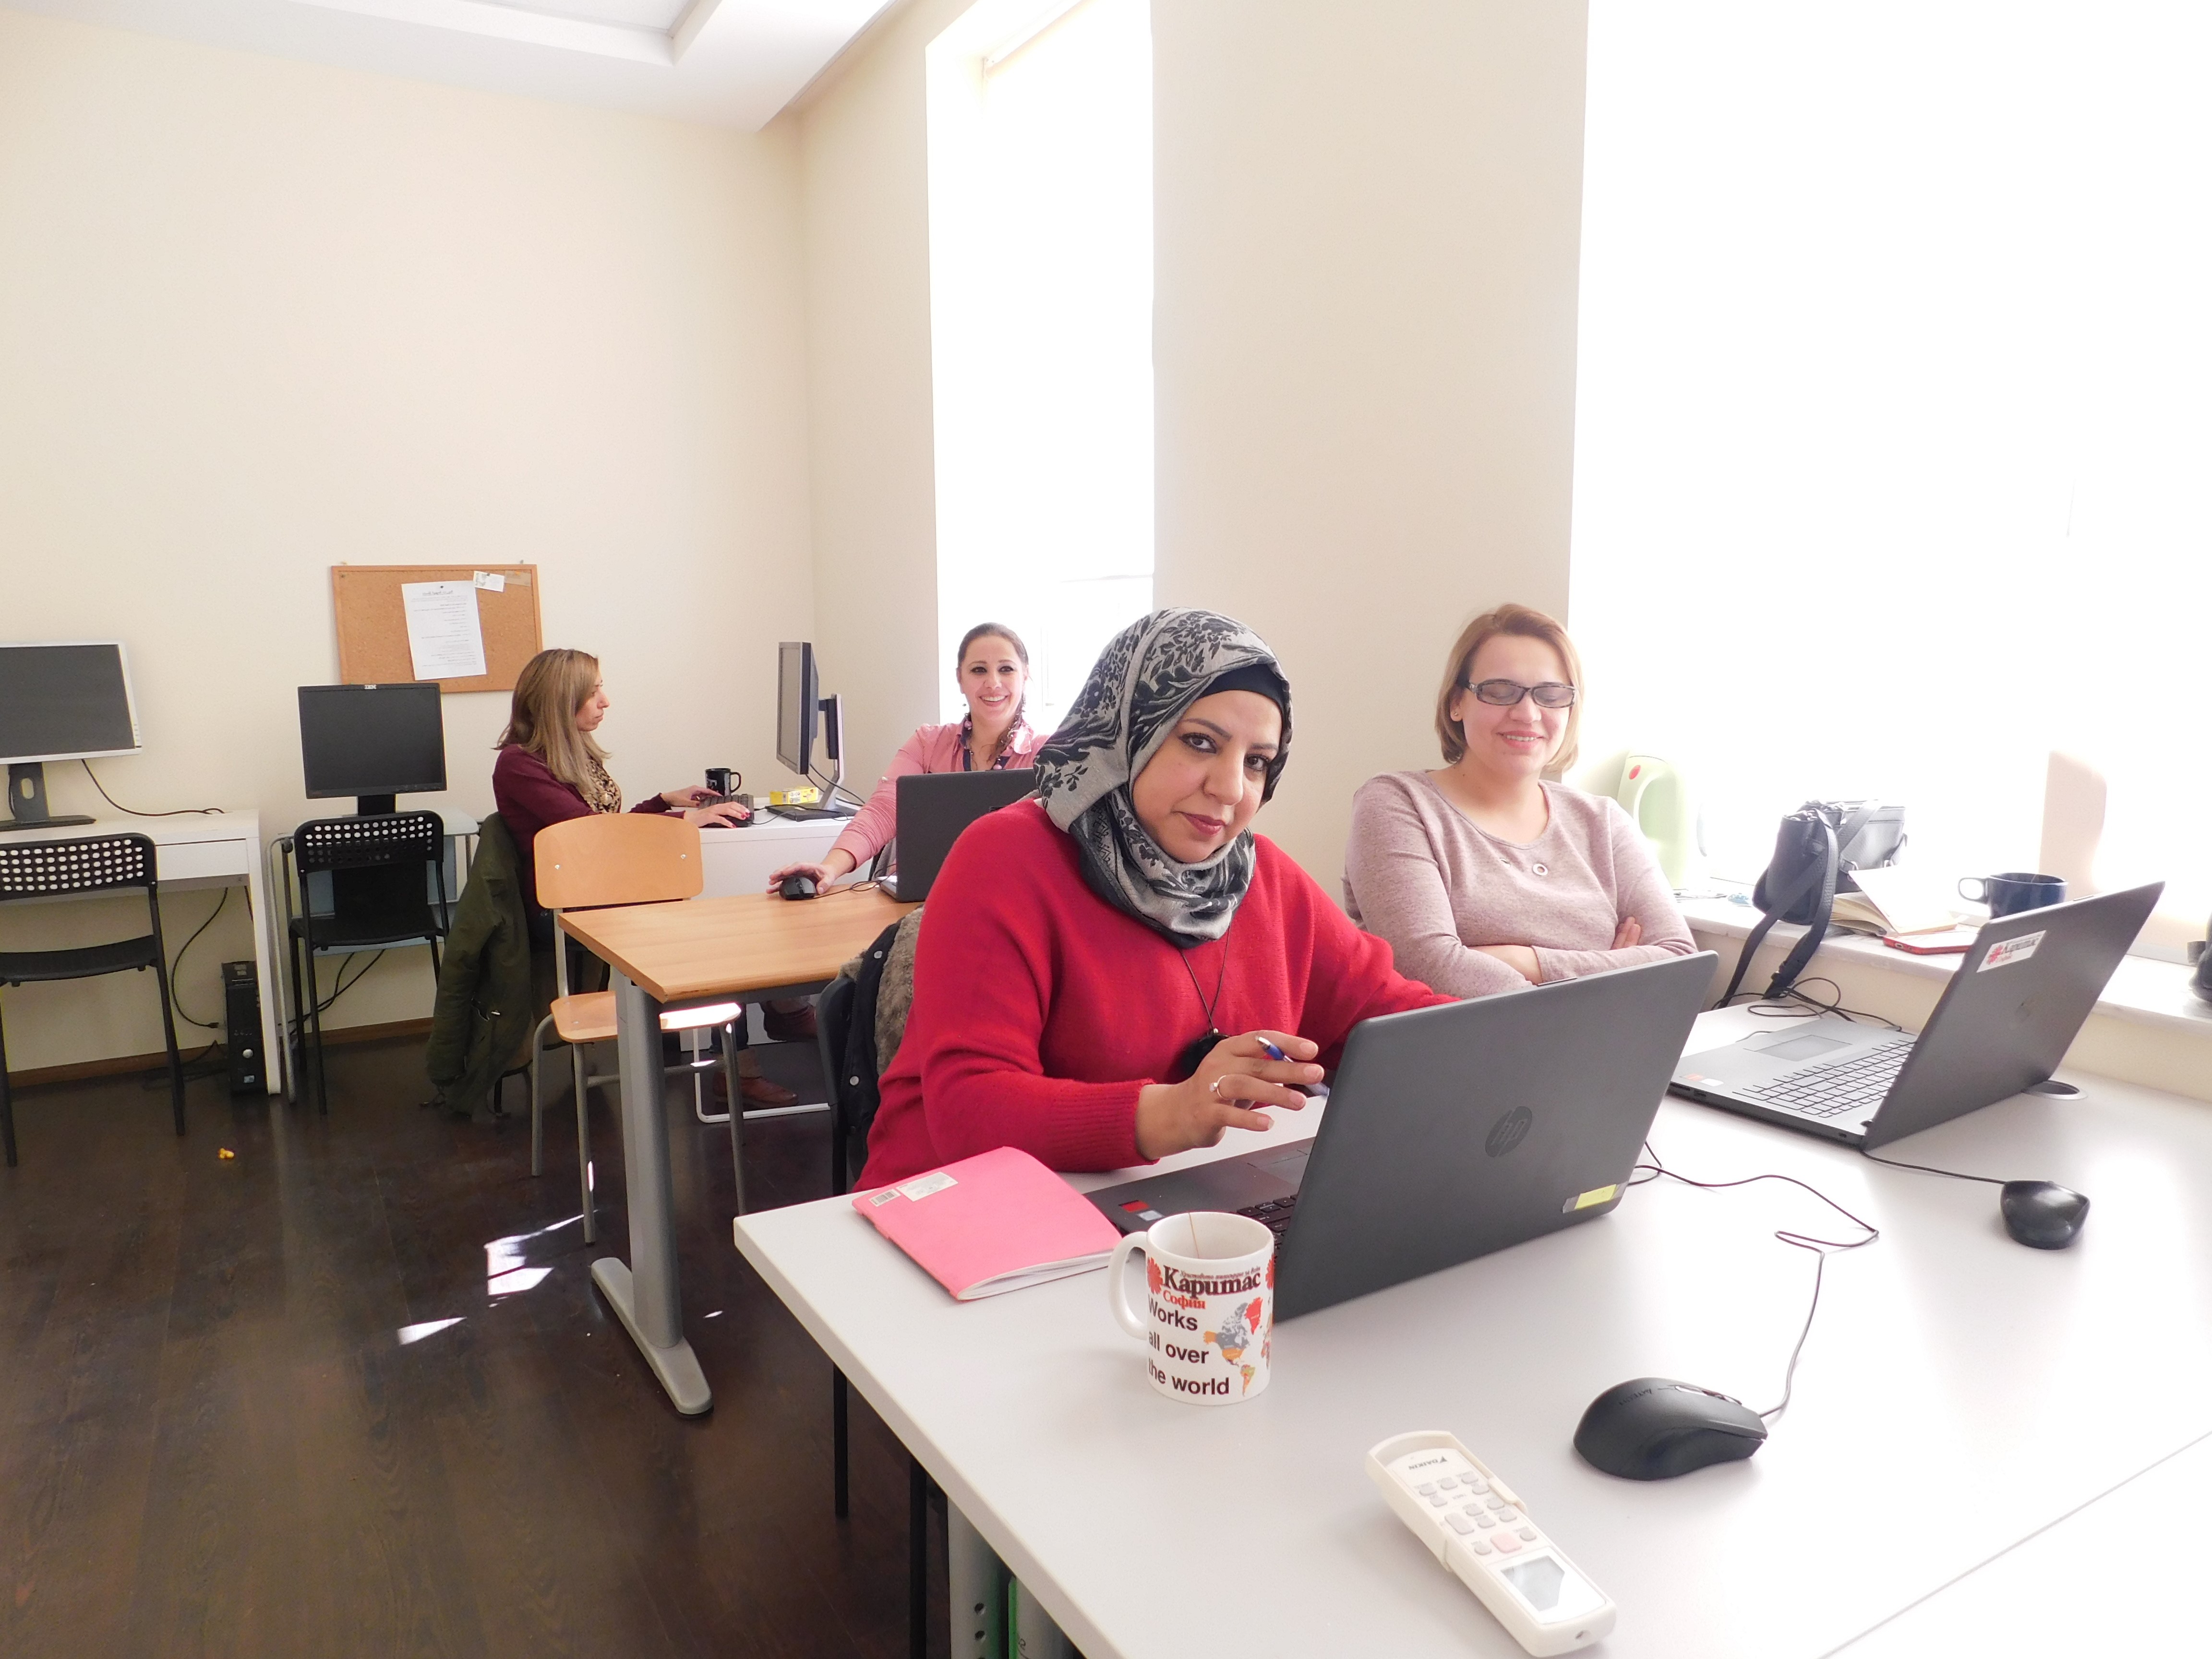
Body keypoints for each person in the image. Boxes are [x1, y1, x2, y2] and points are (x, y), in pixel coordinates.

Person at [857, 609, 1453, 1190]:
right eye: (1199, 742)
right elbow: (970, 1108)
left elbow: (1386, 1015)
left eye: (1257, 763)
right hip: (959, 1220)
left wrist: (1518, 1041)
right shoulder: (1005, 857)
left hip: (1167, 1210)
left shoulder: (1261, 876)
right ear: (1127, 732)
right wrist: (1172, 1113)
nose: (1230, 788)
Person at [1342, 603, 1695, 999]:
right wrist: (1609, 972)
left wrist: (1525, 960)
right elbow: (1429, 967)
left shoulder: (1604, 822)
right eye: (1499, 691)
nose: (1527, 713)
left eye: (1551, 694)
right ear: (1457, 702)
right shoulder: (1397, 804)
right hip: (1458, 1056)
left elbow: (1680, 962)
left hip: (1602, 1053)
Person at [491, 648, 794, 1107]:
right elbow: (593, 836)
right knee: (718, 933)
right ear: (561, 701)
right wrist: (681, 823)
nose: (605, 701)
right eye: (593, 693)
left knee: (724, 920)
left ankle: (770, 1023)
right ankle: (752, 1050)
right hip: (571, 909)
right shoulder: (519, 765)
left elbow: (607, 829)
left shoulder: (570, 755)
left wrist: (662, 802)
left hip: (603, 890)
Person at [767, 623, 1050, 893]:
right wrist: (829, 868)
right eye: (979, 670)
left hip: (1009, 902)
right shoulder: (927, 743)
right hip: (919, 902)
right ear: (960, 679)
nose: (993, 683)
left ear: (1024, 676)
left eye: (1006, 669)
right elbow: (883, 810)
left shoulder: (1050, 755)